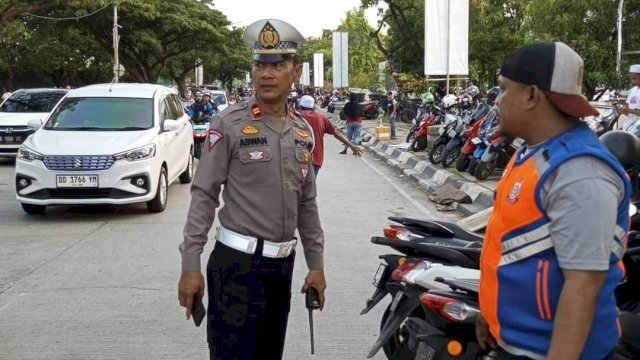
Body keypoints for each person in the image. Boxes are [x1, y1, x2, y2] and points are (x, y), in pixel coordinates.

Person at [178, 19, 326, 360]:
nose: (267, 73)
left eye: (277, 65)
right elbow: (204, 193)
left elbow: (308, 204)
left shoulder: (303, 131)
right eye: (260, 64)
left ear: (296, 71)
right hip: (236, 267)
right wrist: (190, 264)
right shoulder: (228, 123)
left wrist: (315, 264)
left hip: (281, 268)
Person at [476, 41, 631, 360]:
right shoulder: (532, 154)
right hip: (517, 343)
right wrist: (491, 315)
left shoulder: (579, 171)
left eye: (504, 90)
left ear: (532, 95)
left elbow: (583, 285)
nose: (497, 102)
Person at [297, 94, 362, 175]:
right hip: (315, 159)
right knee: (310, 186)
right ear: (313, 106)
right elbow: (336, 133)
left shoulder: (293, 116)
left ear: (300, 105)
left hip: (296, 159)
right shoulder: (320, 117)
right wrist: (352, 146)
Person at [618, 64, 640, 131]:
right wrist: (622, 110)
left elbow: (630, 110)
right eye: (631, 79)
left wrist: (629, 110)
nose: (633, 81)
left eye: (634, 78)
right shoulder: (633, 90)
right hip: (629, 127)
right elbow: (627, 107)